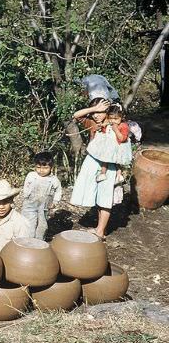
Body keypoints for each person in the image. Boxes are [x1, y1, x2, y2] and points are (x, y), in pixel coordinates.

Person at [69, 98, 119, 239]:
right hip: (93, 160)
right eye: (94, 112)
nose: (96, 115)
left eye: (100, 112)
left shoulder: (114, 124)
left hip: (108, 163)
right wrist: (93, 109)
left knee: (105, 196)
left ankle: (100, 231)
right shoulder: (92, 122)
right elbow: (76, 115)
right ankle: (99, 228)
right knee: (98, 195)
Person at [21, 151, 63, 240]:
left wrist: (55, 202)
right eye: (38, 167)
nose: (41, 170)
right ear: (35, 166)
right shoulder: (31, 175)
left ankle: (39, 241)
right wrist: (26, 195)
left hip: (44, 206)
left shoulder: (53, 180)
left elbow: (58, 191)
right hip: (30, 203)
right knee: (28, 222)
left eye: (45, 168)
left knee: (42, 224)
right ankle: (28, 240)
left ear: (51, 167)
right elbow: (26, 185)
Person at [87, 103, 131, 183]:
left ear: (122, 117)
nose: (112, 121)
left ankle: (118, 175)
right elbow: (106, 131)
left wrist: (116, 129)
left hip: (118, 147)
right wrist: (102, 126)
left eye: (116, 119)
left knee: (117, 162)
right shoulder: (109, 123)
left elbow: (122, 138)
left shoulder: (123, 126)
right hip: (109, 145)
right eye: (110, 118)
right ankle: (103, 173)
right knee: (105, 159)